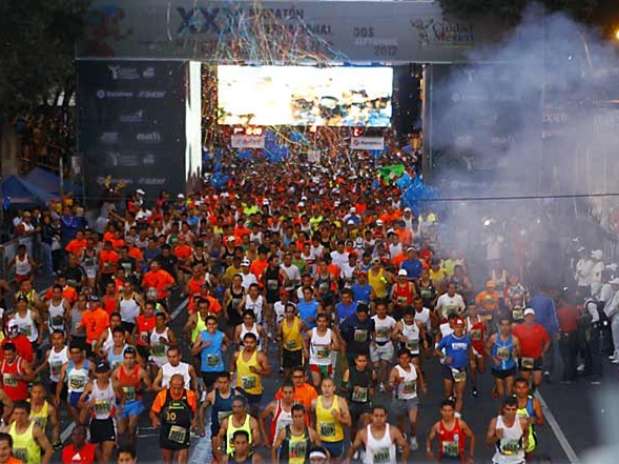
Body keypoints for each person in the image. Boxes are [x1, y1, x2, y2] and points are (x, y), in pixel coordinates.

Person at [150, 373, 198, 464]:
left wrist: (194, 421)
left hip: (182, 431)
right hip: (166, 431)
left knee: (182, 460)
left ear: (184, 385)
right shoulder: (162, 395)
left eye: (179, 388)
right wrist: (154, 419)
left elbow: (195, 411)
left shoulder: (190, 395)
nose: (176, 391)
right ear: (170, 384)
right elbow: (153, 412)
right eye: (174, 387)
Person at [79, 361, 119, 463]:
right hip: (95, 422)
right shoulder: (90, 386)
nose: (102, 375)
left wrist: (118, 408)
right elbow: (80, 402)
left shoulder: (114, 384)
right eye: (100, 373)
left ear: (109, 372)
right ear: (96, 373)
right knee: (97, 454)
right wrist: (88, 405)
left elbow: (122, 397)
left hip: (109, 421)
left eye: (104, 372)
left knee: (107, 453)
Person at [388, 348, 426, 451]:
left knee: (413, 421)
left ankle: (413, 437)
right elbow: (390, 385)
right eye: (402, 358)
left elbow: (419, 376)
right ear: (398, 359)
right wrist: (396, 382)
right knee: (400, 423)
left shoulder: (415, 367)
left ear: (409, 358)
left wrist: (422, 385)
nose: (404, 360)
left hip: (412, 399)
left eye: (406, 358)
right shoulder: (395, 371)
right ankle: (402, 439)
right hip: (399, 400)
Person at [113, 346, 152, 446]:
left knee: (131, 427)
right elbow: (112, 384)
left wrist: (140, 389)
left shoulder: (140, 372)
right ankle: (122, 447)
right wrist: (117, 392)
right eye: (126, 358)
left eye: (131, 358)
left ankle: (131, 447)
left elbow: (149, 387)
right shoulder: (118, 371)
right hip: (122, 403)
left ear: (135, 359)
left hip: (135, 402)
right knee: (121, 431)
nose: (129, 361)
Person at [435, 318, 471, 414]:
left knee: (460, 394)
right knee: (448, 393)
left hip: (461, 369)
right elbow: (437, 350)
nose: (458, 329)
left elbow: (469, 350)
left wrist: (471, 360)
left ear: (463, 327)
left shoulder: (467, 339)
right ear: (453, 327)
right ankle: (448, 409)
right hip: (449, 369)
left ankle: (457, 416)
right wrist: (444, 357)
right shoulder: (447, 339)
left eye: (461, 327)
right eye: (457, 327)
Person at [311, 378, 351, 462]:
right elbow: (312, 420)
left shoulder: (340, 402)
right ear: (321, 388)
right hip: (321, 441)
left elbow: (349, 423)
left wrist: (339, 417)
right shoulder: (315, 402)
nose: (326, 389)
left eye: (329, 386)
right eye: (324, 386)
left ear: (334, 388)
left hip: (336, 441)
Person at [232, 332, 271, 416]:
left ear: (256, 343)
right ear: (243, 343)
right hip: (240, 389)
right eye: (246, 342)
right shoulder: (237, 355)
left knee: (253, 414)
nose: (249, 345)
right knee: (239, 412)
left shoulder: (260, 356)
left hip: (255, 392)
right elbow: (232, 368)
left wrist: (258, 371)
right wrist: (231, 378)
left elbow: (268, 372)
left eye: (251, 342)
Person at [512, 309, 551, 391]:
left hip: (537, 357)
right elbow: (513, 342)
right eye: (527, 316)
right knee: (525, 381)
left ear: (534, 317)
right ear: (524, 317)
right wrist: (515, 353)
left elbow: (547, 341)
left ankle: (531, 389)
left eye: (531, 316)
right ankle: (527, 396)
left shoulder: (540, 328)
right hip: (525, 358)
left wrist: (543, 352)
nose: (529, 318)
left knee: (537, 382)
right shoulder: (517, 329)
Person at [213, 396, 261, 462]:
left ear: (244, 408)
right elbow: (219, 437)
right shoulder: (226, 421)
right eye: (234, 407)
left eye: (239, 407)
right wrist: (219, 451)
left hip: (247, 457)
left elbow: (257, 440)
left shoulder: (252, 421)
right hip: (231, 457)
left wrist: (246, 448)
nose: (236, 410)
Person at [342, 352, 375, 442]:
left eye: (364, 361)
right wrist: (352, 388)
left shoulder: (371, 372)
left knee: (366, 424)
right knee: (353, 426)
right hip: (353, 403)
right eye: (360, 361)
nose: (362, 363)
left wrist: (370, 390)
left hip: (365, 403)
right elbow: (343, 388)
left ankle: (365, 445)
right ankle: (353, 443)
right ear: (356, 361)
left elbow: (373, 385)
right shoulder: (349, 372)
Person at [56, 343, 93, 423]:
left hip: (85, 396)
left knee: (83, 420)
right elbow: (60, 382)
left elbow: (94, 381)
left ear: (82, 353)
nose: (75, 355)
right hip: (72, 396)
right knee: (77, 421)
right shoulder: (66, 366)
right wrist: (57, 396)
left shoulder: (90, 365)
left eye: (77, 353)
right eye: (72, 353)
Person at [486, 397, 529, 464]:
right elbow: (488, 442)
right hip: (501, 461)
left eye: (513, 409)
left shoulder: (522, 422)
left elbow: (526, 431)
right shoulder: (495, 422)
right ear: (503, 409)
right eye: (508, 409)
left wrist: (526, 441)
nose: (511, 412)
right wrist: (497, 437)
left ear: (517, 409)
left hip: (518, 461)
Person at [192, 315, 228, 391]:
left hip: (219, 369)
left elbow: (228, 343)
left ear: (217, 325)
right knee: (208, 388)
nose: (211, 326)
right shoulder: (201, 335)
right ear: (206, 325)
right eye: (209, 324)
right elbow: (193, 352)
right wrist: (202, 346)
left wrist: (224, 346)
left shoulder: (222, 335)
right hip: (206, 369)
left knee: (219, 389)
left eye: (213, 324)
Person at [486, 316, 520, 398]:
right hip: (497, 368)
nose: (505, 328)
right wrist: (493, 359)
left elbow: (518, 353)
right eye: (503, 325)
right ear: (499, 326)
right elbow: (486, 348)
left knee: (508, 392)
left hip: (510, 367)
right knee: (501, 393)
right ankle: (496, 388)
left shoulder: (515, 340)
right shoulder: (493, 338)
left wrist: (515, 353)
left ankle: (507, 409)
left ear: (510, 326)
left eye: (507, 325)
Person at [513, 377, 544, 458]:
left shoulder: (534, 402)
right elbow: (500, 420)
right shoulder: (509, 402)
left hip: (529, 438)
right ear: (514, 389)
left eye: (524, 387)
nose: (521, 390)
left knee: (527, 460)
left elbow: (541, 421)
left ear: (527, 388)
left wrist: (533, 420)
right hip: (512, 438)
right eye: (518, 388)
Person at [306, 313, 338, 388]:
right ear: (316, 322)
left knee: (327, 384)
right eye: (319, 321)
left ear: (327, 323)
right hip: (314, 361)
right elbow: (304, 339)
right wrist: (305, 350)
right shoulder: (311, 332)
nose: (321, 323)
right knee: (316, 383)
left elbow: (337, 346)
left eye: (324, 321)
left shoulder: (331, 333)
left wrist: (331, 347)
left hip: (327, 362)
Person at [370, 302, 396, 390]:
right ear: (376, 310)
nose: (381, 312)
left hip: (387, 344)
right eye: (379, 310)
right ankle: (375, 379)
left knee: (384, 365)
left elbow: (396, 330)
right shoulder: (372, 320)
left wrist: (394, 335)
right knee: (376, 366)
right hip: (375, 344)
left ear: (386, 310)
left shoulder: (391, 320)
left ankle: (382, 382)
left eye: (383, 309)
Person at [260, 382, 295, 447]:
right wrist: (265, 438)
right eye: (285, 392)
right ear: (281, 393)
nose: (288, 395)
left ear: (294, 393)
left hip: (293, 444)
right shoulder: (274, 406)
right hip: (277, 445)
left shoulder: (298, 406)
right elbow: (261, 418)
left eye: (290, 392)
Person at [278, 304, 307, 379]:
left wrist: (305, 350)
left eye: (291, 312)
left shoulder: (299, 323)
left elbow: (303, 335)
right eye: (288, 312)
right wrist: (280, 353)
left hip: (297, 350)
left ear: (294, 313)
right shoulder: (281, 324)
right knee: (286, 374)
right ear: (285, 313)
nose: (289, 314)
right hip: (286, 350)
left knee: (297, 373)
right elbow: (279, 337)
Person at [28, 383, 60, 448]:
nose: (37, 395)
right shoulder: (25, 406)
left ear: (44, 393)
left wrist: (55, 442)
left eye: (40, 392)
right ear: (31, 393)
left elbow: (55, 425)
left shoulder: (49, 408)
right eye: (34, 392)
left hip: (40, 442)